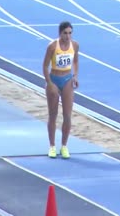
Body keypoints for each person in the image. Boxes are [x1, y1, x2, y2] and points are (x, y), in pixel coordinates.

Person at [42, 21, 79, 159]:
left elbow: (75, 61)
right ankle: (52, 146)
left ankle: (64, 146)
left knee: (67, 115)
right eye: (65, 33)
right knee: (53, 115)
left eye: (70, 33)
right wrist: (49, 83)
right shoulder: (52, 46)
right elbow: (45, 66)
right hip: (54, 80)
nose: (68, 36)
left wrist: (75, 75)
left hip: (67, 80)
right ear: (60, 33)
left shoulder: (75, 45)